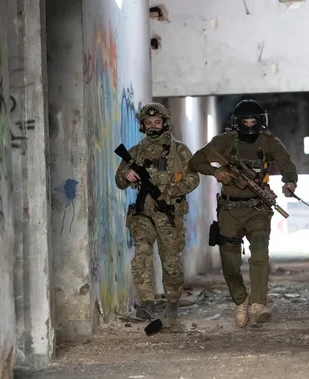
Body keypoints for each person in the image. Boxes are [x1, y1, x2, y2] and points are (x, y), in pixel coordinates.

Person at [188, 99, 297, 327]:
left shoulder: (268, 142)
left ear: (260, 122)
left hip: (258, 209)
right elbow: (196, 160)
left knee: (259, 254)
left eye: (253, 121)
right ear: (237, 122)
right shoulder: (224, 141)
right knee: (230, 264)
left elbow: (285, 162)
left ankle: (258, 305)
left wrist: (290, 182)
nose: (249, 125)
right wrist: (215, 172)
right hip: (229, 211)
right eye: (245, 121)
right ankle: (241, 300)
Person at [115, 102, 200, 329]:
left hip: (169, 213)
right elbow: (119, 181)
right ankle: (146, 302)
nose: (153, 126)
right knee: (141, 250)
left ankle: (172, 301)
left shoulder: (179, 151)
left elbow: (194, 179)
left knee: (171, 261)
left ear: (164, 123)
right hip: (143, 214)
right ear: (143, 125)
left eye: (157, 122)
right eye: (149, 123)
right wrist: (127, 173)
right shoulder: (136, 152)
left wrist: (170, 191)